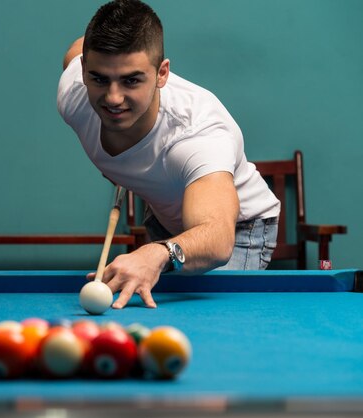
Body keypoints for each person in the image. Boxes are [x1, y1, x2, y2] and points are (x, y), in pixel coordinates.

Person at [57, 0, 280, 309]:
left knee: (208, 320)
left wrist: (157, 253)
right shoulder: (74, 95)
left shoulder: (197, 135)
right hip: (165, 210)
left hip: (238, 226)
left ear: (162, 74)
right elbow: (76, 49)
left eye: (132, 80)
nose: (113, 98)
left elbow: (217, 238)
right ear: (84, 70)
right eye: (100, 78)